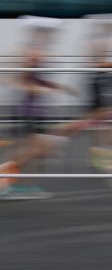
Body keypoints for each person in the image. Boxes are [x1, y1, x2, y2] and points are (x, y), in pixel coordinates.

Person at [0, 16, 78, 199]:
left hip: (38, 109)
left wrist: (58, 87)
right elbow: (19, 83)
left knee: (35, 150)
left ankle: (23, 185)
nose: (52, 36)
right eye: (48, 33)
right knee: (35, 150)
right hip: (29, 109)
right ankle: (6, 179)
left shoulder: (37, 51)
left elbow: (35, 79)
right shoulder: (29, 52)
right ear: (38, 33)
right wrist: (42, 90)